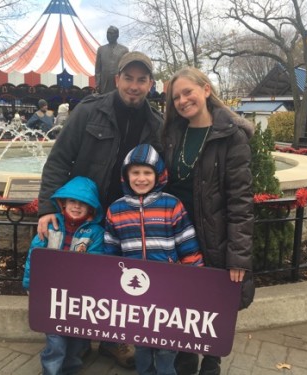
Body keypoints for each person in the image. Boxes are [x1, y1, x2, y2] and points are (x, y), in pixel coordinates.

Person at [36, 51, 162, 369]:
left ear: (150, 84)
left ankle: (112, 339)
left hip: (127, 216)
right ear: (116, 79)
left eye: (142, 79)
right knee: (77, 276)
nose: (134, 86)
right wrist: (46, 209)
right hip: (85, 213)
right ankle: (76, 337)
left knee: (119, 279)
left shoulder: (156, 123)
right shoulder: (89, 112)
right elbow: (59, 160)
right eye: (129, 78)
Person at [162, 67, 255, 375]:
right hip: (177, 234)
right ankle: (185, 359)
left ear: (205, 89)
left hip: (214, 235)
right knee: (182, 304)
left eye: (188, 92)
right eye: (176, 97)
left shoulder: (232, 136)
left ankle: (211, 363)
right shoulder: (173, 134)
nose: (183, 100)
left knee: (213, 307)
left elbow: (240, 201)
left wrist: (238, 256)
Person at [104, 143, 204, 375]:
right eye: (135, 172)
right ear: (126, 175)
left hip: (169, 289)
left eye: (147, 172)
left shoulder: (171, 204)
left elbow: (187, 244)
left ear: (158, 175)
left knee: (168, 345)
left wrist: (195, 281)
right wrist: (110, 286)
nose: (141, 178)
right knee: (140, 343)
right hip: (133, 291)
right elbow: (110, 252)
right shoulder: (115, 210)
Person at [22, 176, 104, 375]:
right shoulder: (50, 226)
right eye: (73, 201)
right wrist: (31, 285)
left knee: (76, 340)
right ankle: (51, 371)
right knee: (56, 341)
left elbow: (97, 263)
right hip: (52, 296)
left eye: (83, 203)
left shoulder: (95, 233)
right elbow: (35, 257)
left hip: (79, 297)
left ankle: (70, 369)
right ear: (63, 203)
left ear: (92, 208)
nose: (77, 206)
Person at [95, 26, 129, 94]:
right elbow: (98, 69)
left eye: (111, 33)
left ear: (117, 35)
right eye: (108, 33)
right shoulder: (101, 49)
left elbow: (126, 68)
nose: (109, 35)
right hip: (104, 83)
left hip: (118, 82)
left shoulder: (124, 50)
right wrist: (98, 83)